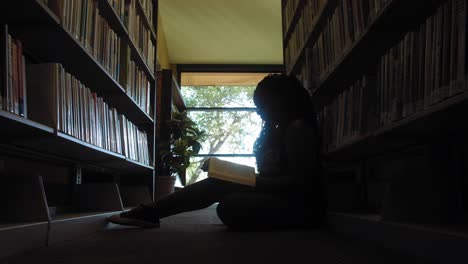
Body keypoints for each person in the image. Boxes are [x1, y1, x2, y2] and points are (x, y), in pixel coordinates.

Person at [107, 74, 327, 230]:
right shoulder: (279, 130)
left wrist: (249, 181)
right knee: (227, 197)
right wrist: (241, 177)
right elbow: (274, 176)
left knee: (229, 202)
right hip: (278, 198)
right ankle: (150, 212)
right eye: (257, 107)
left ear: (282, 102)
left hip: (299, 206)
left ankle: (150, 212)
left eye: (263, 106)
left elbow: (300, 184)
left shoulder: (298, 129)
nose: (260, 113)